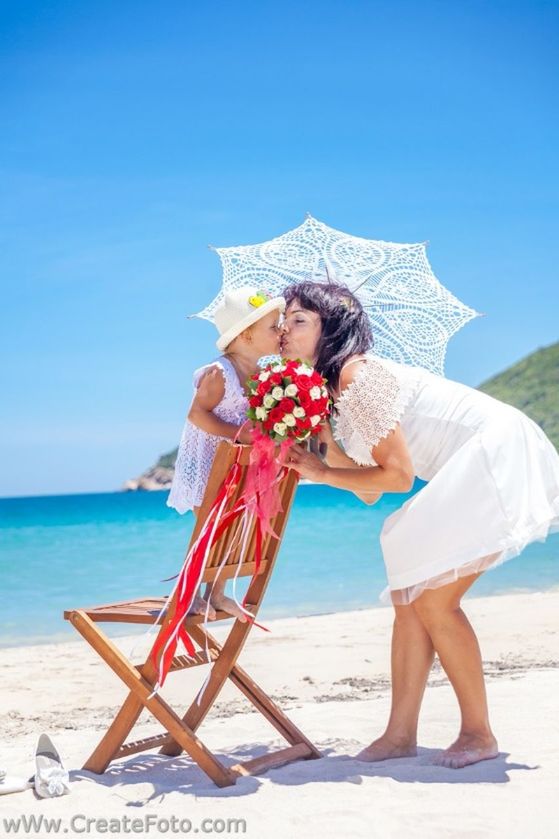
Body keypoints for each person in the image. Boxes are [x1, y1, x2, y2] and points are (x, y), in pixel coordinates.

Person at [281, 280, 559, 769]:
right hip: (469, 462)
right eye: (284, 320)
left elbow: (398, 476)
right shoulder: (336, 395)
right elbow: (367, 490)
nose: (284, 328)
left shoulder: (358, 378)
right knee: (410, 595)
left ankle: (478, 733)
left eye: (298, 319)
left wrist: (323, 471)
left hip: (492, 451)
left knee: (434, 599)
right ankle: (400, 734)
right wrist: (320, 435)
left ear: (333, 329)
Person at [167, 286, 285, 620]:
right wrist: (237, 432)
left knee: (231, 531)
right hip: (206, 464)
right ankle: (189, 596)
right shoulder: (219, 372)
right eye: (273, 327)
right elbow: (196, 414)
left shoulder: (261, 374)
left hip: (235, 465)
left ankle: (216, 595)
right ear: (246, 335)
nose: (281, 332)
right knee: (207, 530)